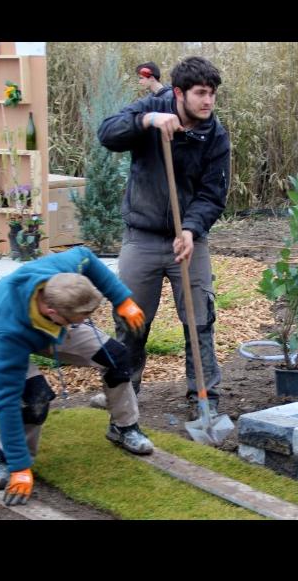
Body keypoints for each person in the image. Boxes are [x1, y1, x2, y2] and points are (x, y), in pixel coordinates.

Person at [97, 56, 230, 420]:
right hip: (142, 236)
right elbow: (107, 134)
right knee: (131, 319)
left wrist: (190, 229)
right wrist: (147, 121)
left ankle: (204, 394)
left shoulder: (214, 135)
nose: (208, 101)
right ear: (179, 93)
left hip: (189, 241)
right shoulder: (151, 108)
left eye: (212, 94)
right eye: (201, 93)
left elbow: (212, 194)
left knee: (200, 318)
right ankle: (124, 391)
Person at [0, 246, 150, 506]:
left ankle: (124, 427)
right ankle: (6, 456)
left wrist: (122, 299)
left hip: (53, 325)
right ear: (54, 313)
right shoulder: (10, 334)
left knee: (116, 357)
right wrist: (21, 467)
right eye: (83, 316)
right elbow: (5, 401)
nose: (89, 320)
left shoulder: (60, 275)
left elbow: (86, 256)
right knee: (34, 398)